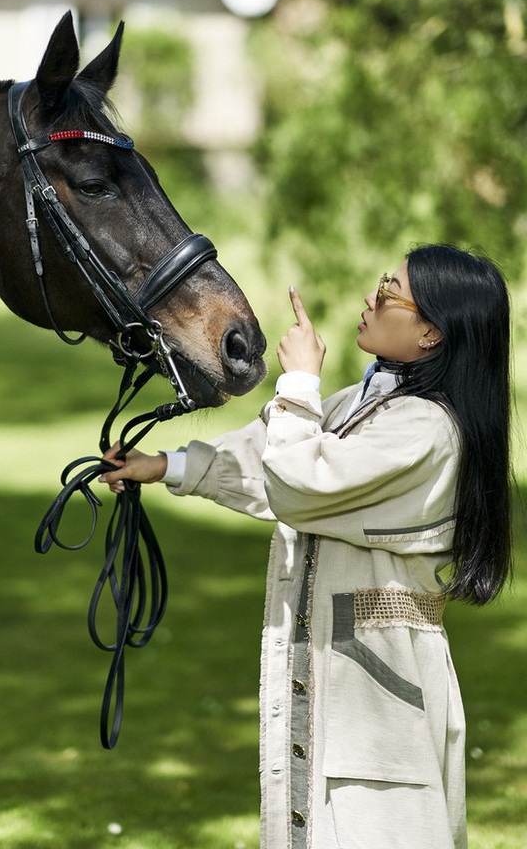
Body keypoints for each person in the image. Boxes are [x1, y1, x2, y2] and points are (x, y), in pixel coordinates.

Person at [100, 244, 512, 849]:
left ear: (430, 332)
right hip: (335, 682)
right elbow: (268, 455)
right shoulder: (365, 404)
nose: (370, 298)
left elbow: (299, 482)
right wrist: (163, 465)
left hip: (379, 702)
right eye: (380, 282)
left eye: (390, 291)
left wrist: (298, 381)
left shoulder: (428, 429)